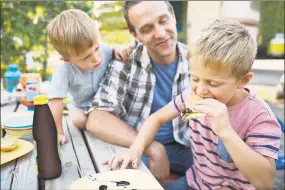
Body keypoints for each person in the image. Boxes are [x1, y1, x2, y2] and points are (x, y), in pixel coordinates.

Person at [107, 19, 282, 190]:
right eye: (195, 78)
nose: (201, 90)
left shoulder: (259, 116)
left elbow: (264, 182)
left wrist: (226, 132)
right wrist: (135, 149)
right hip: (196, 183)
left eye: (213, 84)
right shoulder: (193, 97)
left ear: (243, 80)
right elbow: (157, 118)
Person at [86, 1, 193, 180]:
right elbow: (96, 119)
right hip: (137, 148)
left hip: (185, 146)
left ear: (173, 17)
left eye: (163, 20)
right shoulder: (125, 62)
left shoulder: (197, 62)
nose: (160, 33)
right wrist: (152, 147)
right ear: (135, 35)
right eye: (146, 29)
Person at [47, 9, 130, 144]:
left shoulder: (104, 50)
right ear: (68, 59)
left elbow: (112, 50)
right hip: (80, 106)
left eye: (97, 49)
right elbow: (56, 102)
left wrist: (118, 49)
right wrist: (58, 132)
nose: (96, 58)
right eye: (86, 57)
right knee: (79, 121)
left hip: (102, 103)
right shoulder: (64, 69)